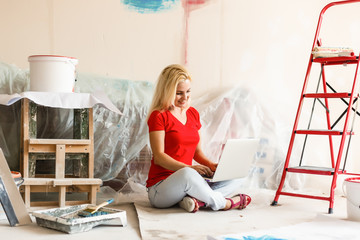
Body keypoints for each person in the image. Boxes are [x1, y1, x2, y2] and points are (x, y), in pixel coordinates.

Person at [146, 64, 251, 213]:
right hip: (160, 189)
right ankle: (226, 203)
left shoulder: (193, 114)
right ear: (167, 92)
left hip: (189, 181)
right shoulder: (159, 116)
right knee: (188, 175)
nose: (185, 97)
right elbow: (159, 157)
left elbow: (197, 152)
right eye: (179, 93)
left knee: (239, 173)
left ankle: (198, 200)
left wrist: (211, 166)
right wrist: (190, 168)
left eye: (188, 91)